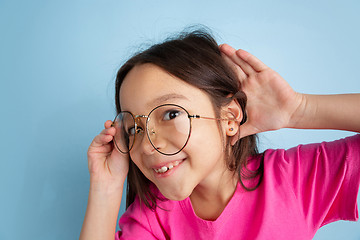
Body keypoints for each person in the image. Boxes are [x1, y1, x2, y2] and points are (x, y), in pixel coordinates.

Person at [80, 29, 360, 240]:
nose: (148, 145)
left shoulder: (292, 179)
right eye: (134, 129)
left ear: (229, 118)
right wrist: (106, 188)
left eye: (170, 114)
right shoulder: (152, 219)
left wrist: (299, 110)